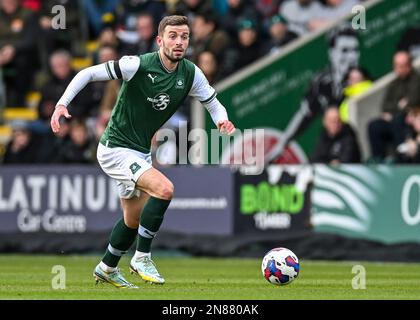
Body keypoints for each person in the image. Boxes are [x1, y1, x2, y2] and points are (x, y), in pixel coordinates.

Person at [50, 15, 236, 288]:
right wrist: (61, 104)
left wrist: (221, 118)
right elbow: (87, 73)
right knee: (164, 189)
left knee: (132, 219)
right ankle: (142, 257)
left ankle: (107, 266)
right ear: (160, 40)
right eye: (172, 36)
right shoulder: (136, 64)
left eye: (184, 36)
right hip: (115, 149)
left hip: (140, 152)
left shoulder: (191, 73)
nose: (179, 42)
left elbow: (212, 101)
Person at [274, 24, 360, 161]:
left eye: (354, 50)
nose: (350, 57)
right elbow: (304, 114)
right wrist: (282, 144)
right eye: (345, 50)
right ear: (332, 53)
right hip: (331, 137)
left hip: (351, 137)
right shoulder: (322, 81)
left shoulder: (361, 78)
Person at [367, 51, 420, 162]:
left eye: (402, 65)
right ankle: (378, 159)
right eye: (396, 65)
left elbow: (412, 102)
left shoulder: (416, 80)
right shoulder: (394, 83)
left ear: (409, 65)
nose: (399, 68)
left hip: (409, 118)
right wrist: (399, 105)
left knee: (398, 120)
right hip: (394, 118)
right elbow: (385, 106)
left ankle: (402, 158)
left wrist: (396, 110)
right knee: (374, 125)